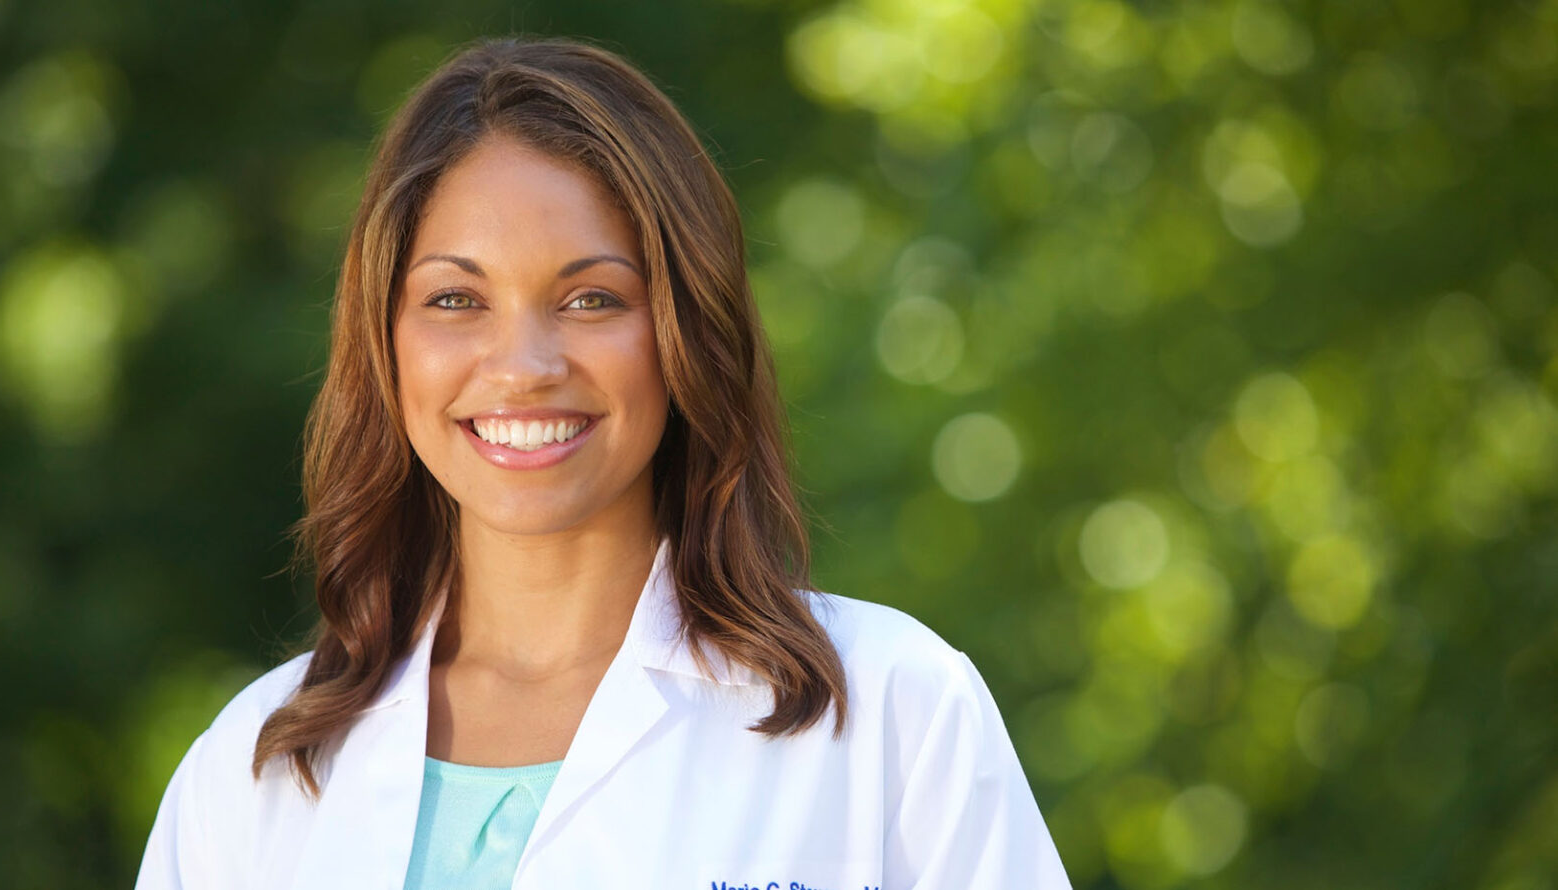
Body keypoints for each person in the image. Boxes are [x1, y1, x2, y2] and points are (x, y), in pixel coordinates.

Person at [134, 35, 1071, 890]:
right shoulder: (254, 773)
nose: (524, 368)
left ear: (684, 329)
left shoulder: (892, 711)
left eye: (590, 300)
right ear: (384, 344)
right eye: (457, 300)